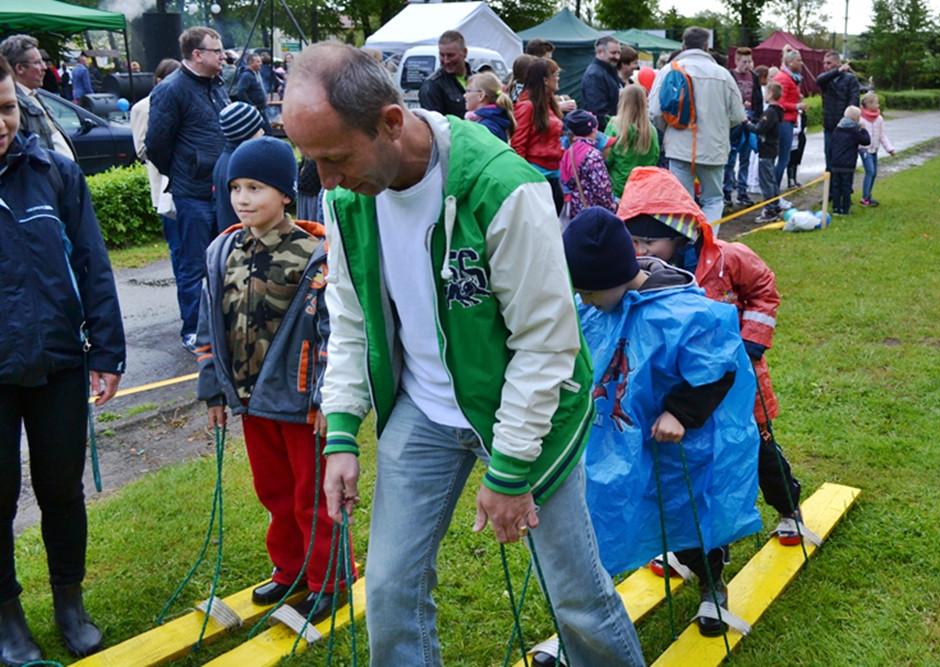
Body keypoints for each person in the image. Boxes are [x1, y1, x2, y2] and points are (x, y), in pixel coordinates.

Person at [281, 41, 644, 667]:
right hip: (425, 412)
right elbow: (350, 316)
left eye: (335, 157)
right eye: (312, 161)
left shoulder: (501, 186)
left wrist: (508, 470)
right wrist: (341, 431)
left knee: (575, 595)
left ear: (392, 123)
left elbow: (545, 343)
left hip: (528, 414)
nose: (326, 183)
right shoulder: (346, 199)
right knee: (390, 590)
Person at [561, 206, 761, 637]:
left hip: (676, 447)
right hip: (617, 439)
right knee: (607, 514)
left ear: (615, 275)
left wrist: (680, 413)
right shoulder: (595, 307)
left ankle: (712, 586)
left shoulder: (684, 313)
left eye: (590, 291)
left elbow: (720, 369)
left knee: (685, 518)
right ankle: (587, 617)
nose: (585, 299)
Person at [617, 166, 820, 549]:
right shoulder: (642, 273)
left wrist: (752, 341)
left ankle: (788, 508)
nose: (639, 251)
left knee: (758, 451)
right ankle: (693, 545)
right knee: (693, 467)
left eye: (647, 242)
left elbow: (764, 288)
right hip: (687, 388)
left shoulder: (727, 258)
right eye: (633, 241)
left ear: (677, 234)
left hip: (741, 380)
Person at [197, 136, 355, 622]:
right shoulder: (222, 251)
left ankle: (330, 579)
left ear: (286, 193)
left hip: (302, 402)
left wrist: (330, 399)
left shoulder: (317, 255)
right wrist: (213, 389)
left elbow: (334, 331)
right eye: (235, 188)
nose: (242, 199)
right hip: (250, 401)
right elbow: (208, 322)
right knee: (275, 492)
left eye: (256, 188)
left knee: (313, 495)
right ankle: (290, 569)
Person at [0, 53, 125, 665]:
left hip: (57, 360)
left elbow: (92, 263)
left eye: (5, 108)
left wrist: (106, 350)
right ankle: (6, 617)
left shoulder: (53, 171)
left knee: (61, 489)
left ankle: (69, 603)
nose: (1, 123)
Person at [145, 26, 230, 353]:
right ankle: (194, 330)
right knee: (194, 265)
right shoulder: (171, 89)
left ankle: (220, 326)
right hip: (192, 194)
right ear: (197, 54)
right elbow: (156, 144)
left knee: (223, 262)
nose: (222, 56)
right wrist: (182, 173)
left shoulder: (216, 84)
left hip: (220, 190)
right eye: (217, 50)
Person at [648, 26, 744, 228]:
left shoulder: (668, 70)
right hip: (714, 148)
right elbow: (737, 116)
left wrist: (669, 130)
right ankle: (708, 248)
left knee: (682, 202)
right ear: (707, 46)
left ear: (683, 46)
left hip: (679, 147)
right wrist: (719, 128)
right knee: (713, 200)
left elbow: (655, 111)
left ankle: (684, 249)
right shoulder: (723, 75)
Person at [131, 58, 183, 311]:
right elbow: (141, 149)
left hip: (191, 188)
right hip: (166, 188)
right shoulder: (143, 108)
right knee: (178, 247)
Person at [0, 35, 76, 162]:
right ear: (19, 68)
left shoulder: (35, 95)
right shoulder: (14, 104)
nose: (44, 67)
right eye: (37, 62)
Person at [511, 57, 566, 214]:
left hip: (553, 170)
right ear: (545, 80)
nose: (558, 78)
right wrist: (522, 178)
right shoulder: (527, 106)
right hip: (535, 172)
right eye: (555, 74)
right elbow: (517, 144)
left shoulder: (549, 103)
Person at [212, 101, 266, 233]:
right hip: (240, 234)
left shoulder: (225, 159)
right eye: (258, 129)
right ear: (245, 133)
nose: (263, 132)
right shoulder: (241, 165)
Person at [559, 109, 617, 218]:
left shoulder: (570, 151)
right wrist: (613, 208)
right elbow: (601, 189)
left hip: (576, 209)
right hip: (594, 212)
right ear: (593, 130)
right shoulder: (593, 155)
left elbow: (565, 179)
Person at [724, 47, 762, 208]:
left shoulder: (754, 77)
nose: (747, 65)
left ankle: (742, 192)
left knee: (746, 157)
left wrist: (757, 117)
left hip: (750, 118)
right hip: (734, 121)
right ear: (737, 61)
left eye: (749, 61)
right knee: (730, 158)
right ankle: (726, 192)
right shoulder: (730, 76)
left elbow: (758, 98)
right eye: (744, 61)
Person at [605, 84, 659, 198]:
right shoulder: (651, 130)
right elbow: (655, 157)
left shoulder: (614, 126)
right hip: (643, 187)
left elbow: (607, 158)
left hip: (619, 187)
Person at [743, 81, 785, 223]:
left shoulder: (770, 112)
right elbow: (762, 122)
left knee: (766, 180)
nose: (764, 95)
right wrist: (753, 119)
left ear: (771, 94)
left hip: (766, 150)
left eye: (766, 93)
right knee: (771, 178)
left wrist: (746, 123)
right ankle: (776, 204)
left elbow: (759, 128)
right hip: (772, 150)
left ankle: (770, 209)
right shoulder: (775, 112)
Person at [817, 51, 860, 173]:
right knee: (829, 156)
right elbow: (819, 81)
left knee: (844, 158)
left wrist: (849, 121)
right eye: (824, 63)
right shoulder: (826, 79)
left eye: (829, 63)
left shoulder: (851, 79)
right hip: (829, 125)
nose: (826, 66)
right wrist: (837, 71)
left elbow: (854, 100)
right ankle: (830, 189)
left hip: (845, 127)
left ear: (838, 62)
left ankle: (843, 187)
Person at [773, 50, 807, 191]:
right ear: (790, 62)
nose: (801, 63)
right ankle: (774, 193)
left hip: (789, 120)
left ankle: (774, 192)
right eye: (799, 60)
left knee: (784, 158)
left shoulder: (789, 77)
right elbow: (779, 103)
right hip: (784, 122)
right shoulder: (784, 78)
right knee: (783, 159)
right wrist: (797, 106)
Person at [829, 105, 870, 215]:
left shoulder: (837, 129)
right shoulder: (854, 131)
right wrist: (863, 129)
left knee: (836, 186)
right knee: (846, 187)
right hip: (847, 164)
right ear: (856, 118)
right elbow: (866, 141)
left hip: (835, 163)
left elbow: (831, 146)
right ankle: (845, 208)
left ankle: (835, 208)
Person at [418, 30, 470, 118]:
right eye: (442, 55)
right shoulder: (432, 86)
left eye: (450, 55)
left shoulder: (478, 79)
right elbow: (435, 126)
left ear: (464, 53)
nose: (446, 61)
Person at [858, 91, 895, 207]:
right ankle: (865, 198)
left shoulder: (879, 119)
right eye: (876, 103)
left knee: (874, 173)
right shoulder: (860, 118)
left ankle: (868, 194)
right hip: (864, 149)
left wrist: (889, 149)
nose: (878, 106)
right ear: (868, 104)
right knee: (870, 171)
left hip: (875, 149)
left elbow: (882, 135)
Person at [579, 35, 622, 132]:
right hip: (604, 133)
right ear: (599, 52)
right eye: (613, 53)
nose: (617, 57)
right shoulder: (594, 75)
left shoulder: (609, 71)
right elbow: (597, 112)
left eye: (619, 53)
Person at [463, 71, 515, 142]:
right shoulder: (493, 119)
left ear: (481, 96)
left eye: (468, 91)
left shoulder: (486, 127)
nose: (464, 95)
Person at [234, 53, 270, 130]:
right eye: (258, 62)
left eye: (260, 61)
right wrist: (251, 105)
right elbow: (241, 92)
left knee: (267, 130)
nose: (260, 63)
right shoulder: (246, 76)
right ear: (250, 63)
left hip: (260, 109)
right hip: (254, 110)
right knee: (266, 131)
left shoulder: (255, 74)